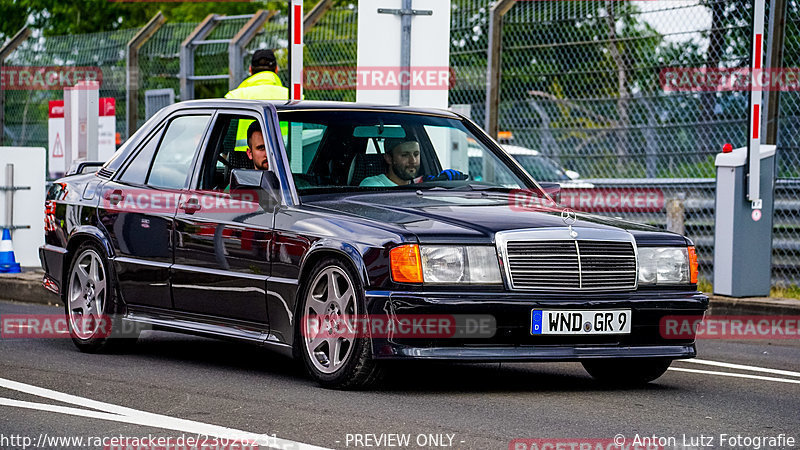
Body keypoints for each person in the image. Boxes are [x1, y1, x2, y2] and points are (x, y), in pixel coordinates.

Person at [226, 49, 289, 153]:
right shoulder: (294, 97)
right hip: (288, 161)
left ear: (250, 70)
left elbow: (226, 141)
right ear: (276, 69)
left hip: (243, 163)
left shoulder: (235, 97)